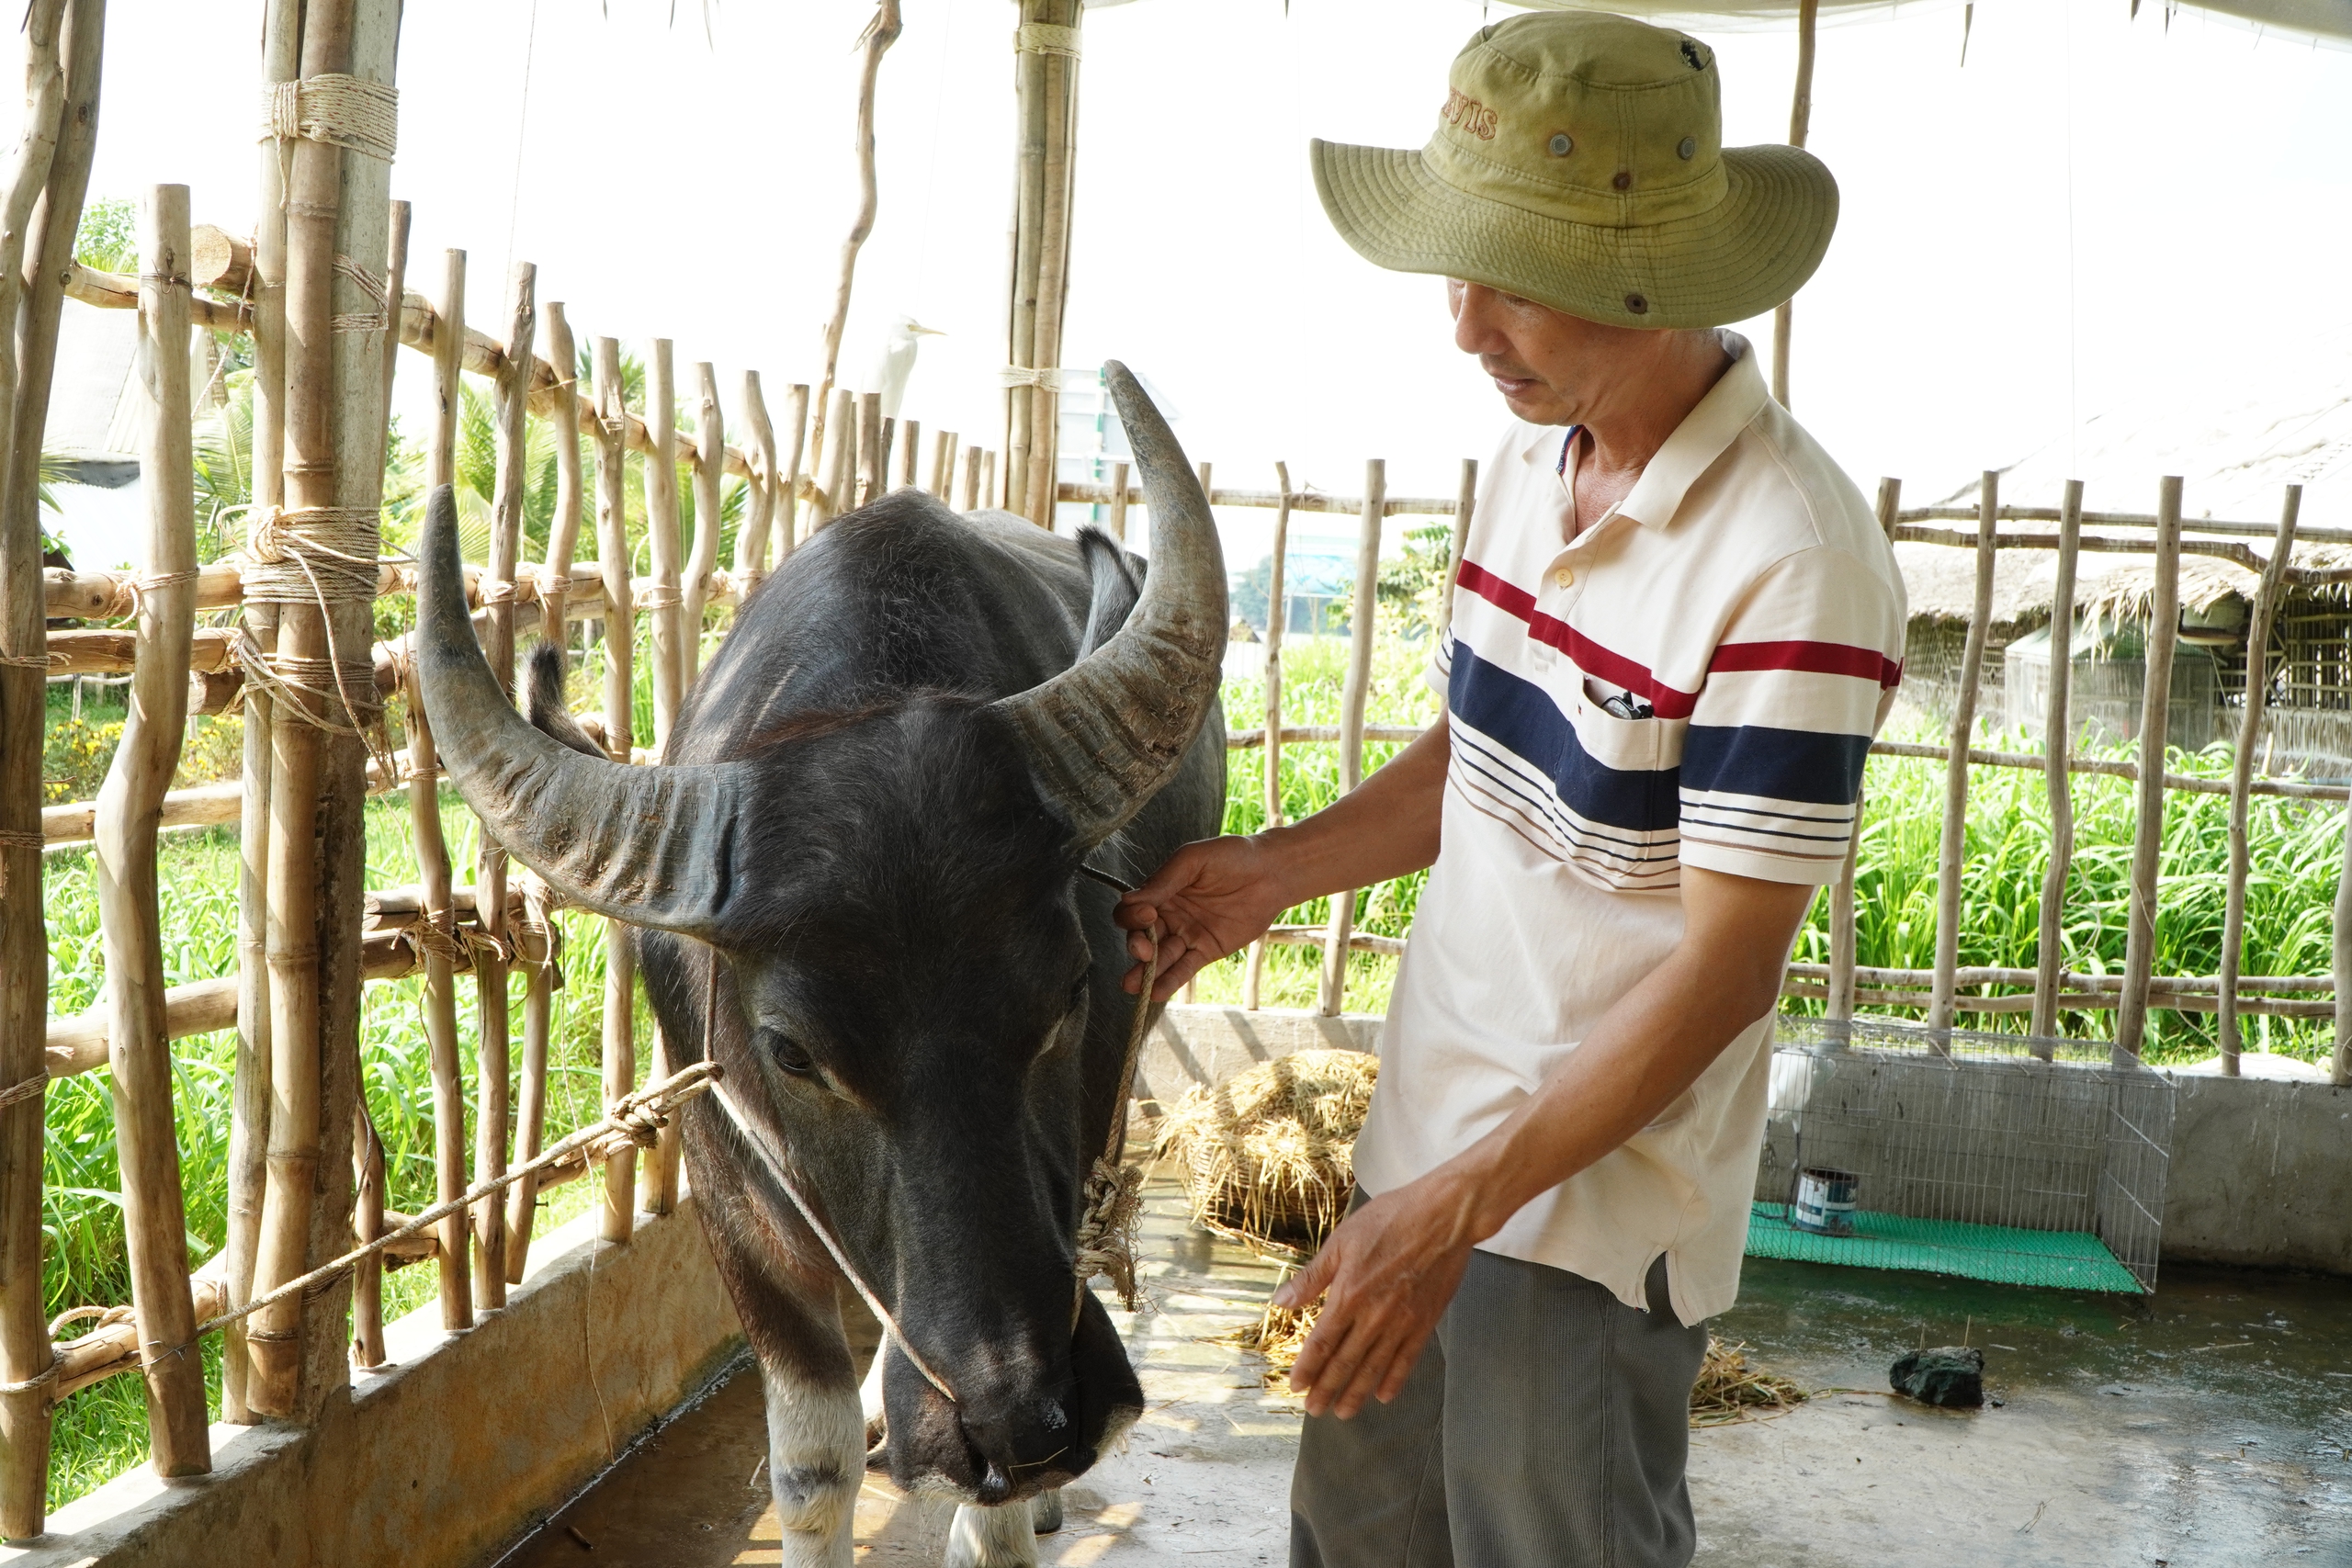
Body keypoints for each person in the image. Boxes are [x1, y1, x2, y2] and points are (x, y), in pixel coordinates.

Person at [1112, 12, 1906, 1567]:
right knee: (1354, 1538)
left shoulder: (1791, 559)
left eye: (1512, 283)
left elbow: (1726, 976)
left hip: (1588, 1220)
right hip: (1427, 1138)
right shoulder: (1527, 460)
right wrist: (1273, 867)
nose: (1465, 327)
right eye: (1453, 272)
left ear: (1650, 284)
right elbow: (1483, 758)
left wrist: (1456, 1211)